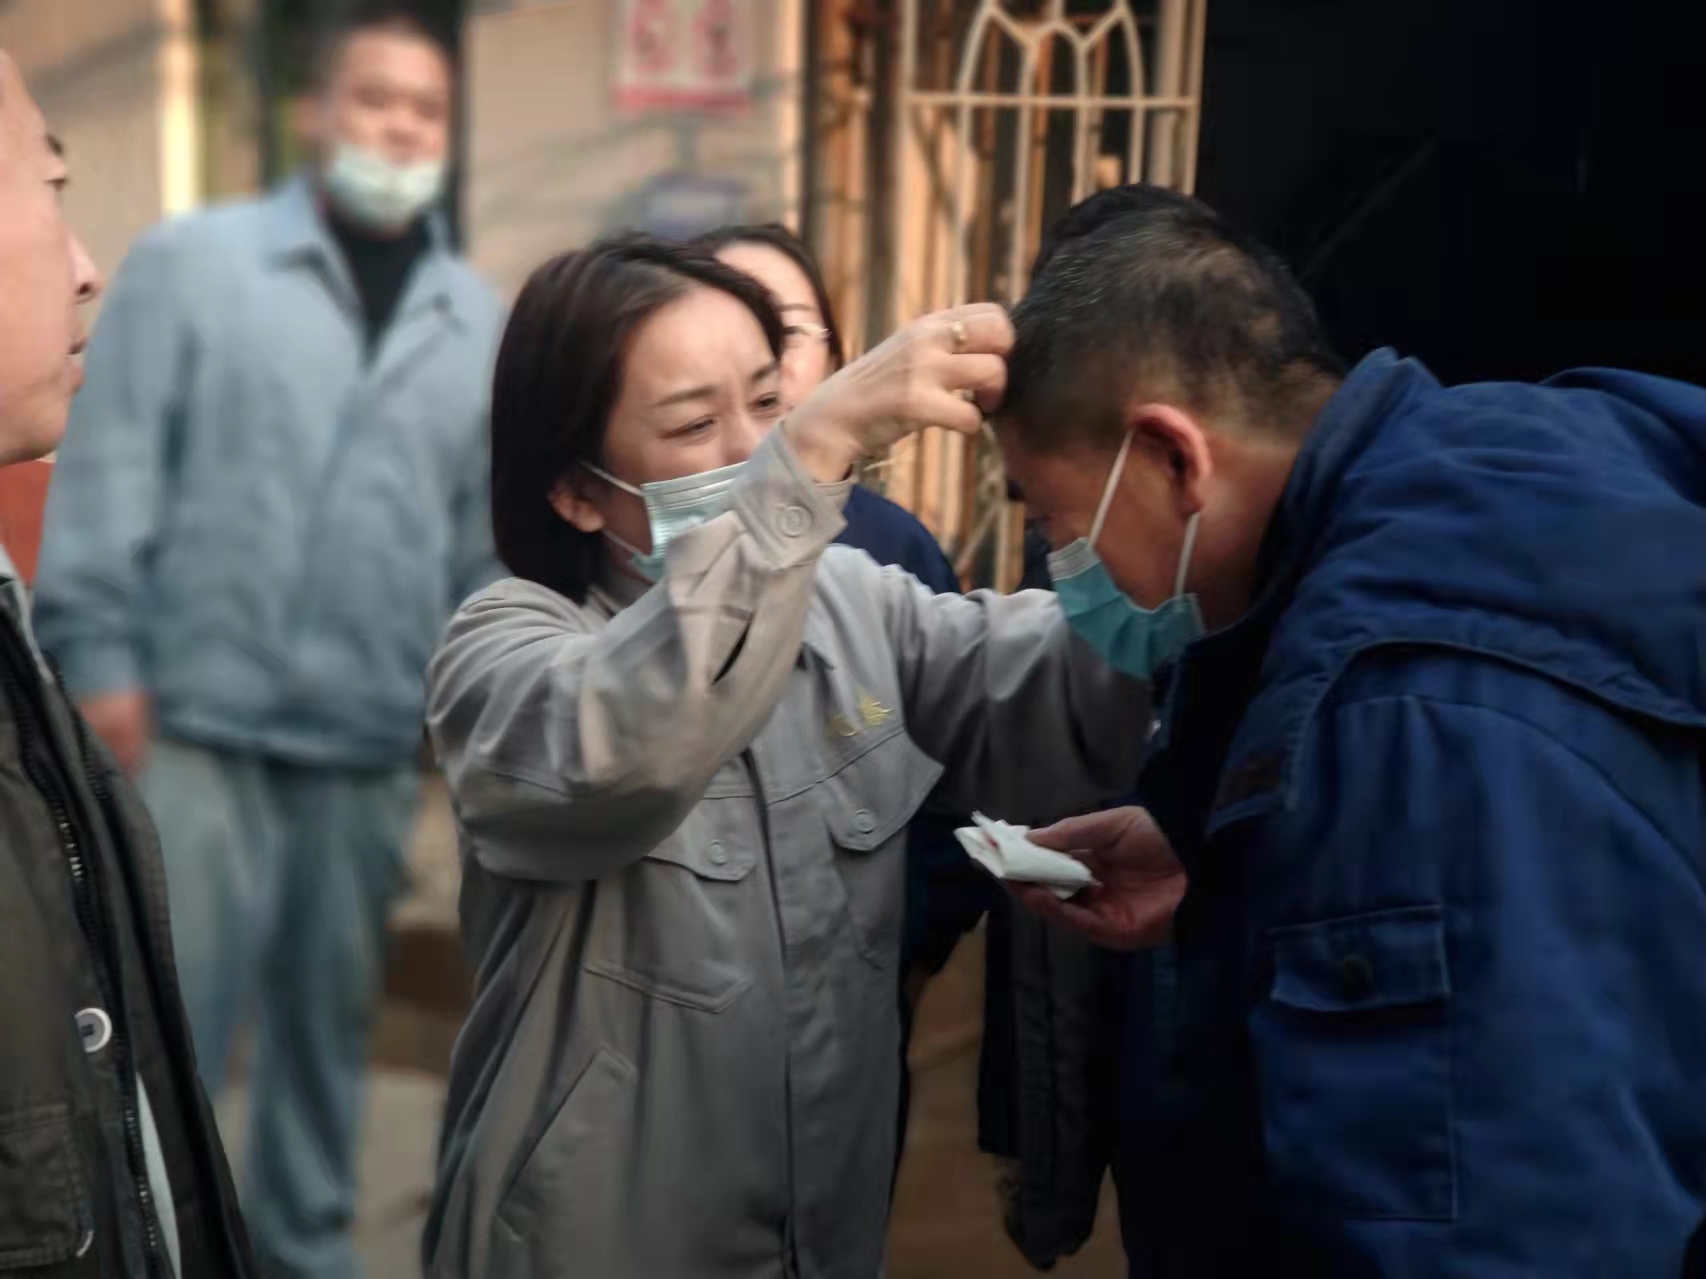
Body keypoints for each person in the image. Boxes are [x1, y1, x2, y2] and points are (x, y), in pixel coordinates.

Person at [999, 184, 1706, 1273]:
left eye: (1056, 521)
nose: (1063, 568)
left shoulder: (1404, 717)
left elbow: (1490, 1221)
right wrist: (1226, 861)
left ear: (1174, 456)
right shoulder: (1501, 461)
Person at [419, 235, 1148, 1279]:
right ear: (577, 491)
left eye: (769, 402)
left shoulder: (846, 603)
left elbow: (1047, 684)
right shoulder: (504, 651)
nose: (756, 448)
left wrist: (1150, 533)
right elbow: (629, 737)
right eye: (694, 423)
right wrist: (807, 455)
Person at [32, 7, 504, 1276]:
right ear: (314, 116)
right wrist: (100, 664)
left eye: (425, 109)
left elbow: (477, 540)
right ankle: (153, 1246)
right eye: (373, 99)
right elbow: (112, 465)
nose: (398, 128)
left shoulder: (470, 315)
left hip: (362, 741)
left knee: (323, 1034)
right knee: (162, 1021)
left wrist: (484, 705)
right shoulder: (197, 267)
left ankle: (300, 1249)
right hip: (192, 724)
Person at [0, 49, 254, 1277]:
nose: (85, 265)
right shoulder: (116, 384)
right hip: (181, 725)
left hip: (335, 733)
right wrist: (106, 675)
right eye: (48, 188)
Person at [697, 221, 998, 1180]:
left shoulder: (892, 549)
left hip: (855, 1001)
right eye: (727, 326)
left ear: (833, 353)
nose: (762, 360)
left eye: (784, 328)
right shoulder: (654, 541)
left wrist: (910, 947)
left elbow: (956, 772)